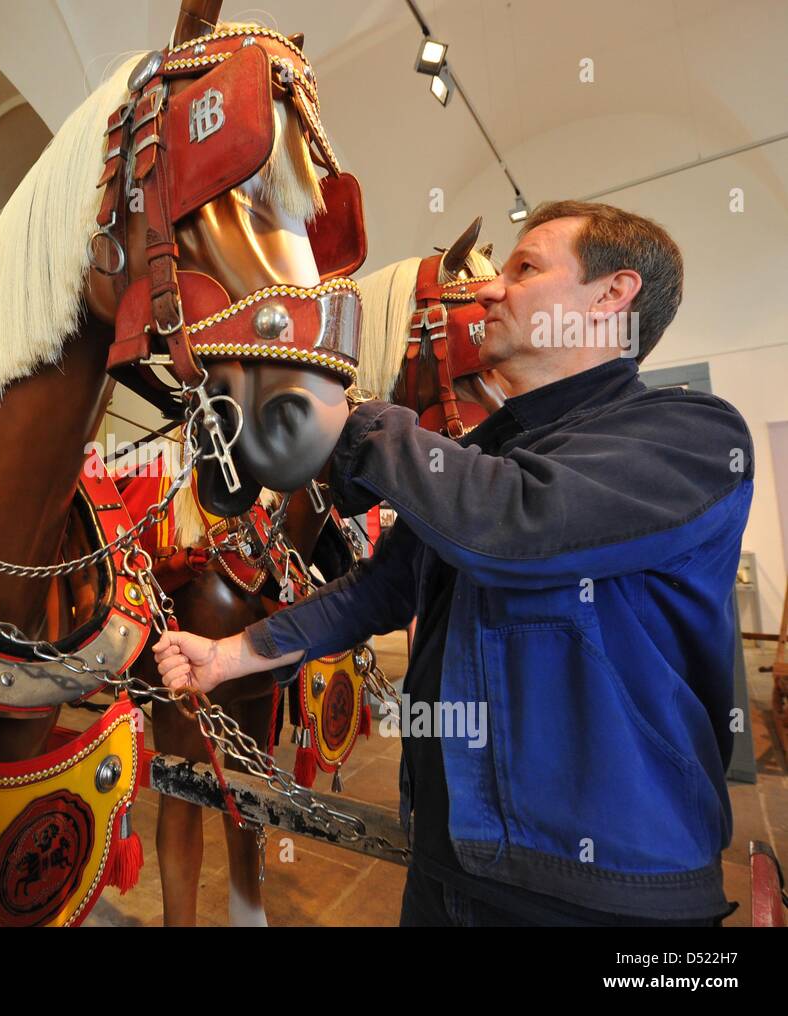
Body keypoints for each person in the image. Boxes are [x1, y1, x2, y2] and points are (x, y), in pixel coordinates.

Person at [153, 200, 753, 926]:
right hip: (449, 865)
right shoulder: (495, 455)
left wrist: (358, 421)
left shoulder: (688, 434)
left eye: (524, 268)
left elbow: (511, 525)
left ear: (610, 296)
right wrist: (232, 654)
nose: (491, 290)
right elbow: (379, 587)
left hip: (604, 895)